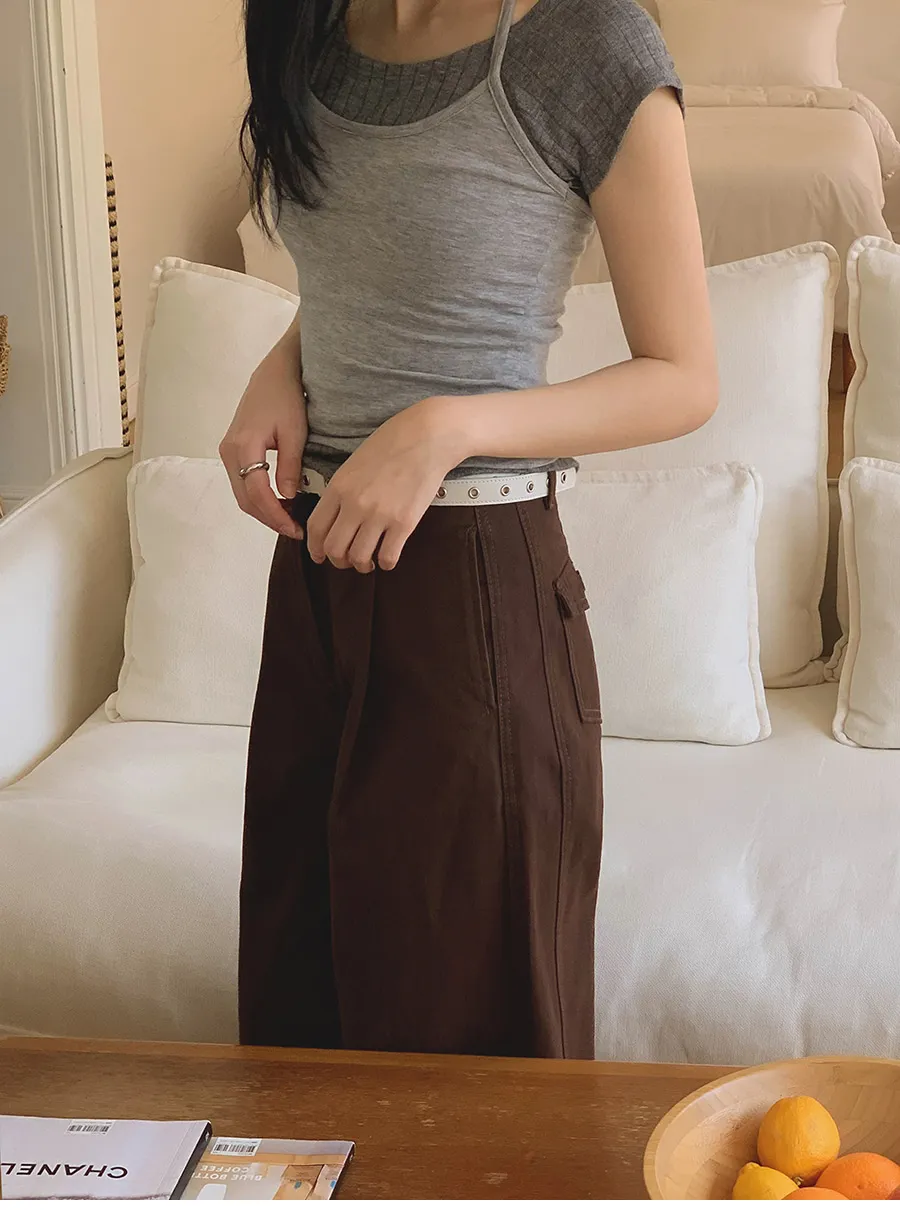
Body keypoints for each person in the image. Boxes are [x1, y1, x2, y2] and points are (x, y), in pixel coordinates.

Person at [222, 0, 717, 1060]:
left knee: (468, 1068)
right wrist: (284, 364)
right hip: (313, 581)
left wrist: (448, 427)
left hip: (474, 595)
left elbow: (684, 376)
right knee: (297, 1033)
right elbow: (384, 264)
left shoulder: (583, 42)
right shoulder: (309, 29)